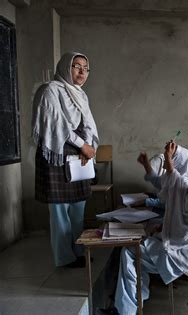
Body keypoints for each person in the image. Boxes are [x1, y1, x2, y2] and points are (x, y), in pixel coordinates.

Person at [114, 142, 188, 315]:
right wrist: (165, 227)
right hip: (185, 247)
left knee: (130, 253)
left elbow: (185, 233)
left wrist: (169, 158)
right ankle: (135, 300)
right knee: (134, 249)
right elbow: (178, 192)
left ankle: (127, 309)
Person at [32, 52, 99, 268]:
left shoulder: (81, 94)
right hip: (57, 155)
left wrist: (87, 147)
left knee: (78, 209)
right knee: (60, 212)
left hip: (79, 155)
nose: (82, 72)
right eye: (76, 66)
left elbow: (88, 124)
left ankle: (80, 251)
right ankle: (64, 258)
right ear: (65, 67)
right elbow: (56, 125)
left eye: (85, 68)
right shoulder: (50, 90)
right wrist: (83, 145)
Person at [137, 144, 188, 208]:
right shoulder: (173, 178)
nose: (166, 160)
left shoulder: (187, 184)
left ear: (179, 162)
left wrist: (149, 202)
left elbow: (172, 203)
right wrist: (146, 164)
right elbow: (158, 181)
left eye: (170, 157)